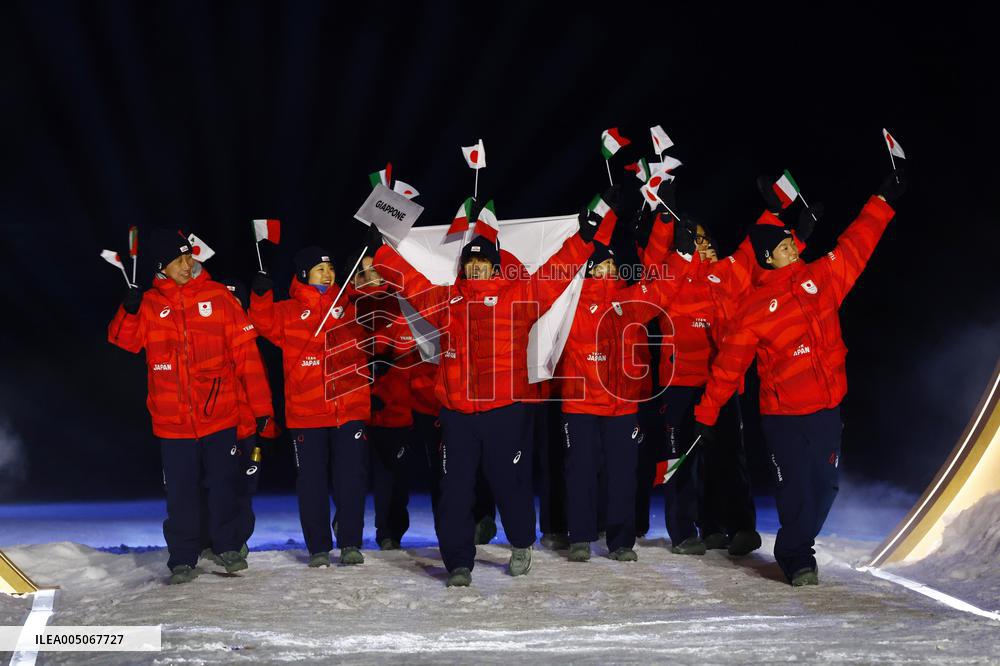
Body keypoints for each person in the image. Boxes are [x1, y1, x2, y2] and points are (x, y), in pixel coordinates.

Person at [693, 171, 905, 585]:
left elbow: (857, 244)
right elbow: (728, 366)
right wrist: (706, 412)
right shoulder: (754, 309)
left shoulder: (822, 279)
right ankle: (796, 557)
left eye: (792, 242)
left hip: (826, 409)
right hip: (783, 417)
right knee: (794, 493)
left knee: (824, 490)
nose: (792, 247)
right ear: (769, 258)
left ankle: (795, 542)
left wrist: (883, 200)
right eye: (783, 246)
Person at [372, 203, 595, 587]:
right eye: (470, 263)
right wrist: (379, 252)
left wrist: (587, 240)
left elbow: (553, 276)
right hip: (457, 414)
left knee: (510, 484)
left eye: (482, 262)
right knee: (454, 490)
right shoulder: (448, 302)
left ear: (495, 266)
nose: (475, 268)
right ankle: (458, 561)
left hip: (503, 412)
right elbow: (411, 282)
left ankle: (522, 541)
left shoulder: (517, 298)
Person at [107, 228, 273, 584]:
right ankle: (183, 556)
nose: (187, 264)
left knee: (224, 484)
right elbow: (124, 341)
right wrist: (129, 310)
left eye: (189, 256)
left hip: (220, 414)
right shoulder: (150, 303)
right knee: (180, 492)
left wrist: (261, 407)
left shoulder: (218, 296)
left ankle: (228, 546)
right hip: (172, 420)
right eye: (178, 259)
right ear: (160, 266)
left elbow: (247, 356)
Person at [558, 206, 695, 563]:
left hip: (622, 405)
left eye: (612, 267)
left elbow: (662, 290)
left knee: (623, 474)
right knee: (581, 471)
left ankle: (621, 541)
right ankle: (580, 537)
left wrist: (682, 255)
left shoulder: (628, 302)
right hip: (581, 403)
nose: (608, 271)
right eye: (600, 266)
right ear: (587, 270)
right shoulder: (569, 303)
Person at [641, 209, 763, 557]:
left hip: (720, 382)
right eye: (695, 239)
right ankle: (683, 531)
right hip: (680, 382)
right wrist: (665, 220)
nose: (703, 245)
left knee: (728, 456)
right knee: (684, 458)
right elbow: (652, 263)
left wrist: (777, 215)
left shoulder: (723, 277)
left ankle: (732, 527)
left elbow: (756, 255)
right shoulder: (669, 275)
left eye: (706, 239)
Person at [249, 247, 372, 567]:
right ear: (303, 274)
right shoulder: (288, 311)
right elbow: (261, 322)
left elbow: (377, 304)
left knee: (351, 479)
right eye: (319, 269)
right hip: (306, 413)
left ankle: (350, 543)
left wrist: (371, 262)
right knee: (312, 482)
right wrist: (261, 295)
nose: (327, 274)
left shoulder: (349, 303)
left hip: (349, 408)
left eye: (330, 268)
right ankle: (318, 546)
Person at [346, 250, 419, 550]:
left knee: (394, 480)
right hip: (355, 413)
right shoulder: (346, 309)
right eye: (364, 273)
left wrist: (392, 359)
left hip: (398, 413)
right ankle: (347, 524)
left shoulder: (403, 307)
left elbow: (415, 353)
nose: (371, 278)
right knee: (349, 476)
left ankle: (390, 533)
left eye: (376, 271)